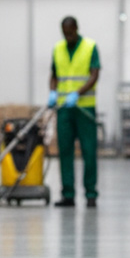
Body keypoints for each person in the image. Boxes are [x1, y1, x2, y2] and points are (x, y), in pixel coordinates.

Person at [47, 16, 100, 208]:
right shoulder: (58, 49)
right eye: (64, 33)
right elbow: (54, 75)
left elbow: (94, 75)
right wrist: (53, 92)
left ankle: (91, 194)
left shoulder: (90, 46)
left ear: (76, 29)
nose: (67, 36)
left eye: (70, 32)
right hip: (64, 110)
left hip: (84, 108)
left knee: (89, 151)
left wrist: (77, 94)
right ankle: (68, 194)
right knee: (65, 152)